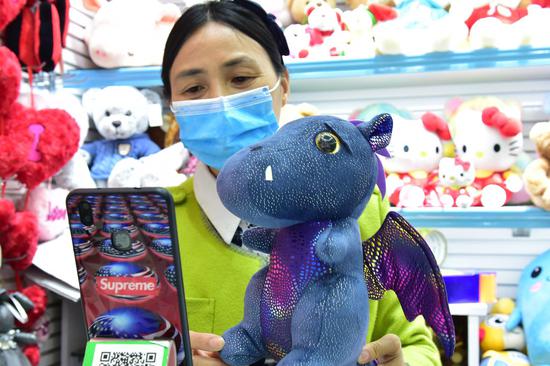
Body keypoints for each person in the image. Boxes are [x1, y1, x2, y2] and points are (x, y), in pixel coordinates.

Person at [162, 1, 443, 365]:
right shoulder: (153, 226)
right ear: (172, 104)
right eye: (194, 88)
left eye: (242, 79)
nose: (221, 101)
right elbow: (116, 347)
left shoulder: (362, 211)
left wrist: (397, 361)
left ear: (283, 86)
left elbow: (420, 347)